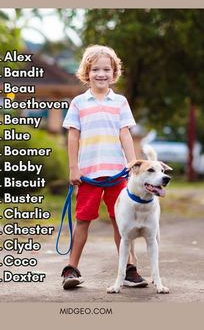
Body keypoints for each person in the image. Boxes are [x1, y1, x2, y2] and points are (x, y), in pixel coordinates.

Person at [61, 44, 148, 289]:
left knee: (121, 222)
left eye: (106, 69)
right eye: (95, 69)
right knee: (82, 221)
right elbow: (73, 137)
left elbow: (125, 134)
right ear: (86, 73)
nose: (101, 74)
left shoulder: (120, 102)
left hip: (117, 174)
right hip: (88, 174)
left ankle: (129, 269)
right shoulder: (79, 102)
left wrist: (134, 165)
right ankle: (71, 269)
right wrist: (73, 168)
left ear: (114, 72)